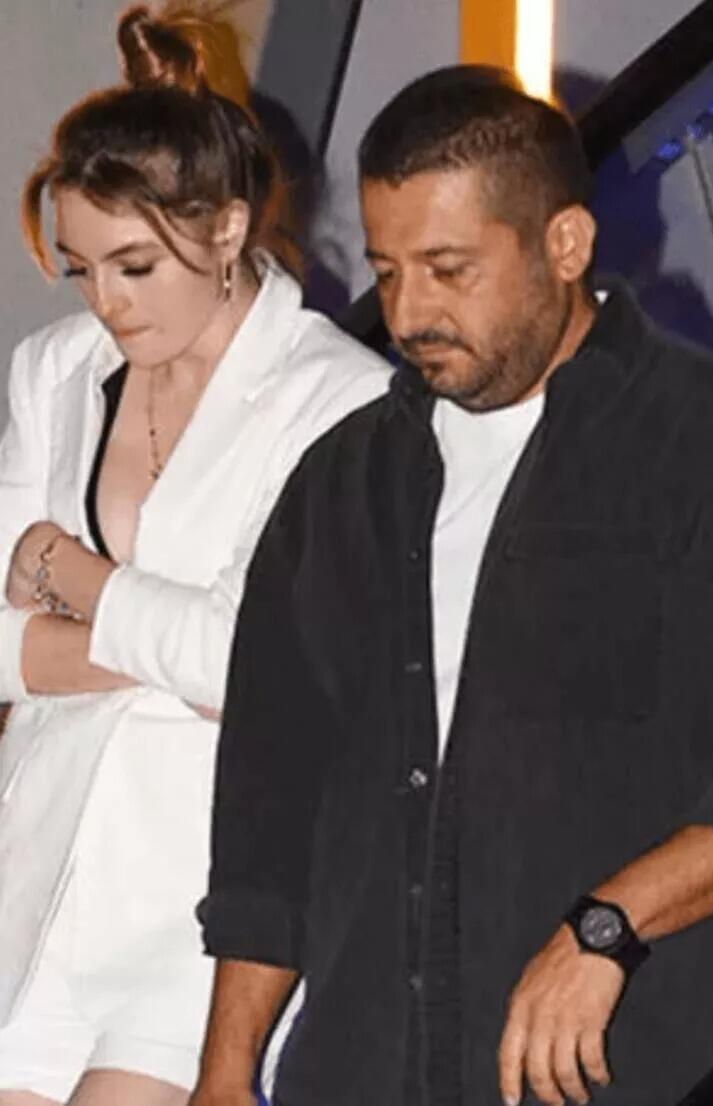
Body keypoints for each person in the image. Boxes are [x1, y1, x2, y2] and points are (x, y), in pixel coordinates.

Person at [192, 66, 713, 1106]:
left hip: (628, 1062)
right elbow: (270, 808)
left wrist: (609, 924)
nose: (409, 313)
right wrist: (223, 1073)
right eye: (388, 270)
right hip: (362, 1068)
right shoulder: (340, 484)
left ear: (564, 244)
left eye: (449, 269)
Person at [0, 5, 389, 1105]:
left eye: (134, 265)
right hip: (39, 871)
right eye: (82, 269)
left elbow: (261, 666)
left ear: (226, 228)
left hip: (209, 893)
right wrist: (177, 643)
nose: (106, 303)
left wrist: (69, 577)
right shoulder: (53, 368)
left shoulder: (338, 400)